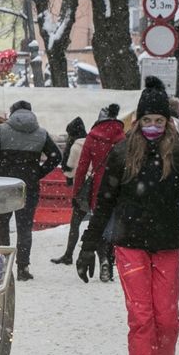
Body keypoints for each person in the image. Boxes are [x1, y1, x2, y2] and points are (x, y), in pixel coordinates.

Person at [76, 78, 179, 355]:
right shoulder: (122, 154)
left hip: (168, 244)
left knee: (167, 319)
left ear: (167, 122)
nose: (153, 126)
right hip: (130, 245)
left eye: (159, 120)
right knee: (141, 318)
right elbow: (105, 203)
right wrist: (88, 245)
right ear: (137, 122)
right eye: (147, 120)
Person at [0, 99, 61, 281]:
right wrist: (38, 172)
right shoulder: (41, 133)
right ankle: (23, 268)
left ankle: (3, 266)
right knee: (24, 228)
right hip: (29, 184)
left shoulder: (2, 130)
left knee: (1, 224)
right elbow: (56, 156)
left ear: (12, 112)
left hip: (4, 183)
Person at [66, 104, 124, 278]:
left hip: (99, 187)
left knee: (98, 224)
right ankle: (109, 262)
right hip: (119, 187)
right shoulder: (123, 137)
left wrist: (77, 192)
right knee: (113, 226)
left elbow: (82, 168)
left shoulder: (92, 136)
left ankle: (103, 259)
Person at [51, 117, 88, 265]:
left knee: (75, 223)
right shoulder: (92, 142)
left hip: (82, 188)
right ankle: (105, 261)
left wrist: (68, 174)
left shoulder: (75, 146)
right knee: (98, 224)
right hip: (96, 187)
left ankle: (68, 254)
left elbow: (70, 171)